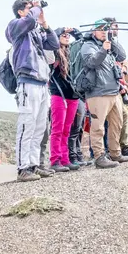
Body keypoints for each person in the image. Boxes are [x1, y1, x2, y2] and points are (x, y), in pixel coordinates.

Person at [5, 0, 60, 182]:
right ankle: (23, 168)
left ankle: (34, 164)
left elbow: (53, 44)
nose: (34, 11)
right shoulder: (15, 27)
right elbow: (29, 21)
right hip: (27, 81)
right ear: (21, 11)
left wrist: (44, 23)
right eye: (29, 8)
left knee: (39, 127)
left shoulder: (35, 32)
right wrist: (36, 8)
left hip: (42, 82)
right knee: (27, 124)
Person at [78, 20, 128, 169]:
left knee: (117, 124)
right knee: (98, 127)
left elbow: (122, 56)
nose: (103, 31)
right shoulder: (88, 45)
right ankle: (100, 156)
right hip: (97, 92)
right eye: (100, 29)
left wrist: (111, 38)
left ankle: (115, 153)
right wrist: (103, 50)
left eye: (105, 29)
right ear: (93, 31)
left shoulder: (108, 44)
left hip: (114, 92)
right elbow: (91, 62)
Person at [48, 27, 82, 172]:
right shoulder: (54, 52)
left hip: (72, 96)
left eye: (68, 35)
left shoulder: (72, 53)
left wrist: (74, 31)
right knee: (57, 129)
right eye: (64, 35)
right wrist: (61, 29)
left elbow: (81, 41)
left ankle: (65, 159)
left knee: (67, 129)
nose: (67, 37)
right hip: (58, 94)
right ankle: (55, 160)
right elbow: (50, 37)